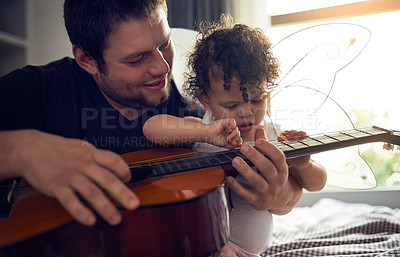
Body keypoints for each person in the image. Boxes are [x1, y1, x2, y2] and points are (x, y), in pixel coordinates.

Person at [0, 0, 305, 254]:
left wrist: (280, 197)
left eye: (164, 44)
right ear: (86, 59)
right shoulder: (36, 90)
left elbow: (220, 201)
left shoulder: (187, 115)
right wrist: (21, 150)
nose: (162, 67)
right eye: (137, 58)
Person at [143, 14, 327, 257]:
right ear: (205, 99)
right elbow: (152, 128)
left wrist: (303, 163)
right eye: (231, 106)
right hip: (204, 247)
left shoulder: (274, 135)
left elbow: (318, 182)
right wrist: (206, 132)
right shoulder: (204, 127)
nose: (247, 113)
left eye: (258, 99)